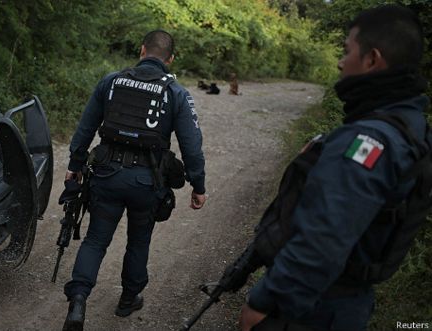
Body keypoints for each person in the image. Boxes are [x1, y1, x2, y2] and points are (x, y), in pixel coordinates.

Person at [239, 5, 430, 331]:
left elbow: (323, 238)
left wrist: (265, 302)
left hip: (316, 307)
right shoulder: (411, 126)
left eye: (347, 51)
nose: (341, 62)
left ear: (372, 59)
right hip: (345, 301)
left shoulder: (368, 139)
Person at [61, 30, 206, 330]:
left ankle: (77, 299)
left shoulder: (111, 81)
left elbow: (85, 128)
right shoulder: (175, 92)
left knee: (96, 239)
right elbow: (192, 145)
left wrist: (75, 165)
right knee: (139, 240)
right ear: (171, 59)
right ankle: (128, 299)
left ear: (141, 51)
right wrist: (198, 185)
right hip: (146, 182)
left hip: (106, 174)